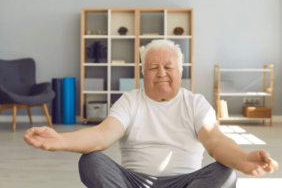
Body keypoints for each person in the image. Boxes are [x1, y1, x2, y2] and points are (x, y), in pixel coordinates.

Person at [23, 40, 279, 188]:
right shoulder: (130, 100)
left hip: (185, 183)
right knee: (91, 161)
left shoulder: (195, 103)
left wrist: (243, 158)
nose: (161, 72)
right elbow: (102, 135)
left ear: (180, 72)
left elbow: (216, 142)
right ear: (144, 73)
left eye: (169, 67)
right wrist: (62, 140)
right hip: (132, 183)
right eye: (153, 67)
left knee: (226, 173)